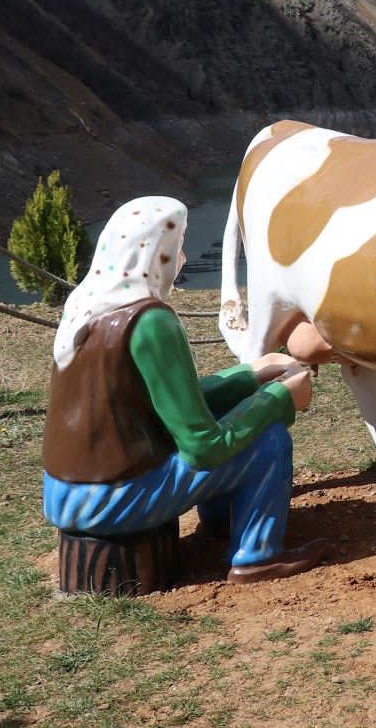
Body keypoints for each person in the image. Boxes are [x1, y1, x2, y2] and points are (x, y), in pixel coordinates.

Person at [42, 196, 329, 584]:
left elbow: (172, 403)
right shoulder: (151, 322)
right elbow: (202, 446)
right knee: (268, 441)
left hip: (64, 494)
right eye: (178, 247)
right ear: (156, 254)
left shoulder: (86, 307)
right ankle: (258, 556)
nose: (184, 259)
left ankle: (223, 518)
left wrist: (250, 375)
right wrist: (279, 399)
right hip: (114, 499)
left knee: (225, 419)